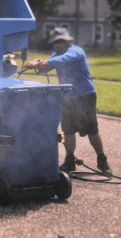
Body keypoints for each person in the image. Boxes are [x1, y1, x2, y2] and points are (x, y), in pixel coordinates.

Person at [23, 27, 111, 174]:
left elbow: (58, 61)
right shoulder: (56, 54)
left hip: (84, 95)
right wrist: (36, 64)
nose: (55, 45)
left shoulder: (76, 52)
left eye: (58, 42)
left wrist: (39, 63)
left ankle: (102, 160)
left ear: (64, 41)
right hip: (67, 96)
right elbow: (46, 68)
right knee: (68, 130)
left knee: (91, 130)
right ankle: (70, 161)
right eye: (54, 43)